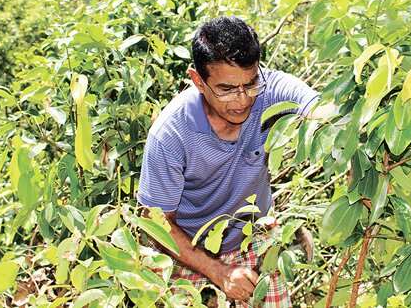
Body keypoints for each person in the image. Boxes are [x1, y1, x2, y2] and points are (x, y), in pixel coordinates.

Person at [138, 16, 331, 307]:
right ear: (198, 81)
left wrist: (347, 137)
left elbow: (321, 107)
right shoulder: (170, 134)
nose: (242, 100)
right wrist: (220, 272)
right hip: (188, 249)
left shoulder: (270, 90)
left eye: (250, 84)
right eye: (227, 89)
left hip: (254, 235)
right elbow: (155, 224)